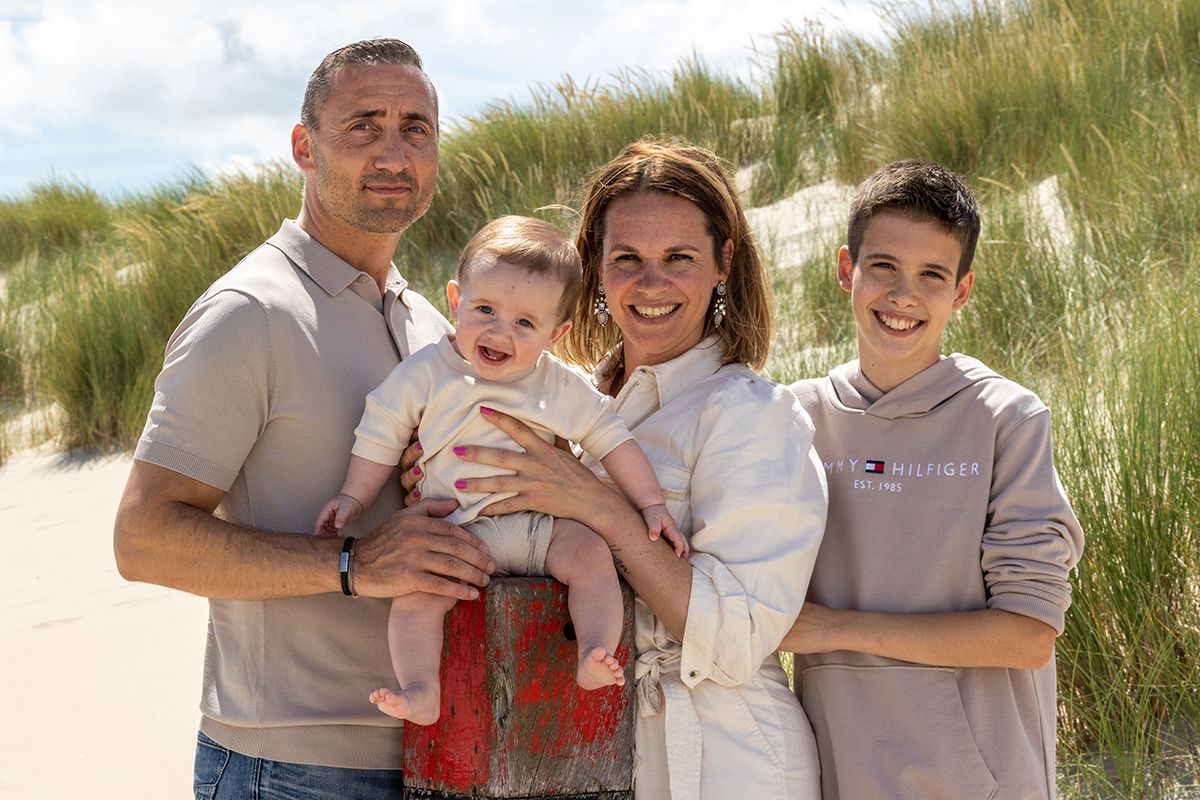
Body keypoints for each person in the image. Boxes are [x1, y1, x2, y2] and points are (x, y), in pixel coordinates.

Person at [112, 39, 496, 798]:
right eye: (363, 126)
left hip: (440, 755)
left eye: (415, 127)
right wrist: (353, 564)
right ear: (304, 147)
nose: (394, 152)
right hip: (288, 767)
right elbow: (142, 540)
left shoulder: (425, 321)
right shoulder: (250, 313)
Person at [418, 139, 829, 799]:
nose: (651, 283)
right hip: (587, 749)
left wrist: (599, 507)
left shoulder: (752, 415)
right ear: (594, 267)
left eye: (679, 259)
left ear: (724, 261)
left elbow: (732, 645)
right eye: (628, 259)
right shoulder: (566, 400)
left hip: (723, 760)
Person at [781, 159, 1085, 799]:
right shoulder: (792, 418)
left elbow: (1028, 635)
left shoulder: (1008, 419)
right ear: (846, 269)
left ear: (962, 291)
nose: (903, 296)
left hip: (984, 781)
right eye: (884, 266)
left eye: (932, 276)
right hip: (838, 774)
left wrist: (834, 629)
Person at [314, 215, 687, 724]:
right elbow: (381, 430)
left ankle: (595, 653)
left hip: (534, 528)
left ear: (557, 332)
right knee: (416, 594)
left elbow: (611, 438)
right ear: (455, 300)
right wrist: (354, 498)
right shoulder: (428, 371)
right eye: (485, 309)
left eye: (524, 323)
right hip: (455, 530)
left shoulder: (557, 385)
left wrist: (651, 504)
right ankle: (422, 688)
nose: (499, 332)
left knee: (591, 555)